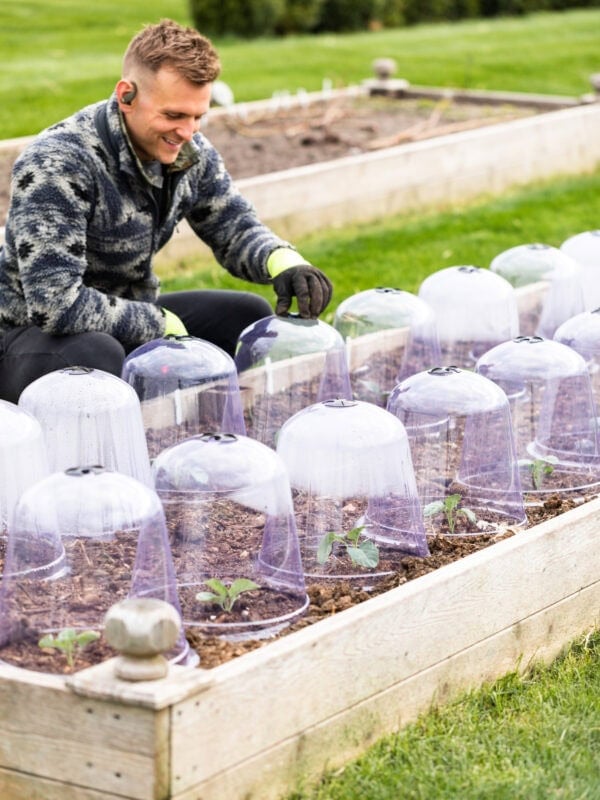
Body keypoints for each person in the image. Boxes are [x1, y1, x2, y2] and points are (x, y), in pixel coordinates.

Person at [0, 18, 333, 403]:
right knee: (93, 355)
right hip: (25, 336)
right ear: (126, 95)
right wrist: (157, 324)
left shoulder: (190, 154)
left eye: (197, 117)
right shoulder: (58, 162)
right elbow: (54, 305)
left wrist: (284, 263)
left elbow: (234, 225)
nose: (187, 132)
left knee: (248, 316)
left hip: (124, 320)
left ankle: (192, 416)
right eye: (174, 115)